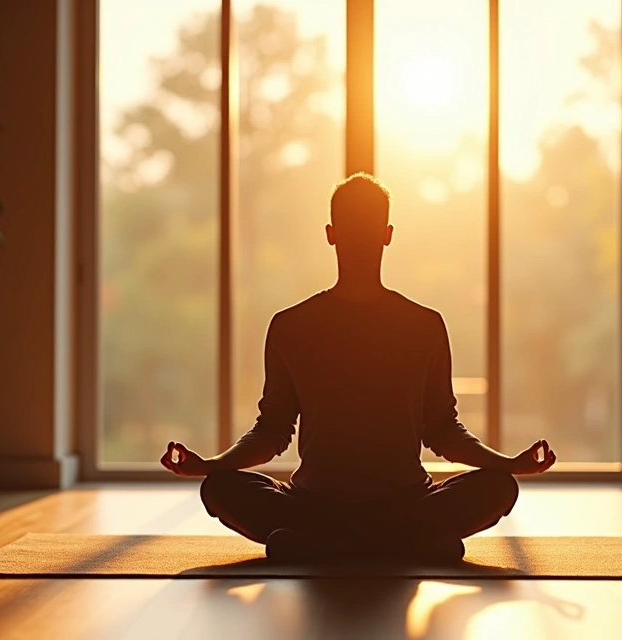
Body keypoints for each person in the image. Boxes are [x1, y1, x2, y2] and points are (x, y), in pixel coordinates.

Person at [161, 172, 556, 563]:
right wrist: (212, 466)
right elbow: (273, 430)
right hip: (319, 504)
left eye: (367, 229)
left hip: (400, 503)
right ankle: (403, 544)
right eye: (352, 229)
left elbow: (441, 428)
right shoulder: (291, 326)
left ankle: (328, 545)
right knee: (220, 487)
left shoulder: (424, 325)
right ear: (332, 234)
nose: (360, 239)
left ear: (386, 234)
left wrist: (506, 465)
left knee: (498, 486)